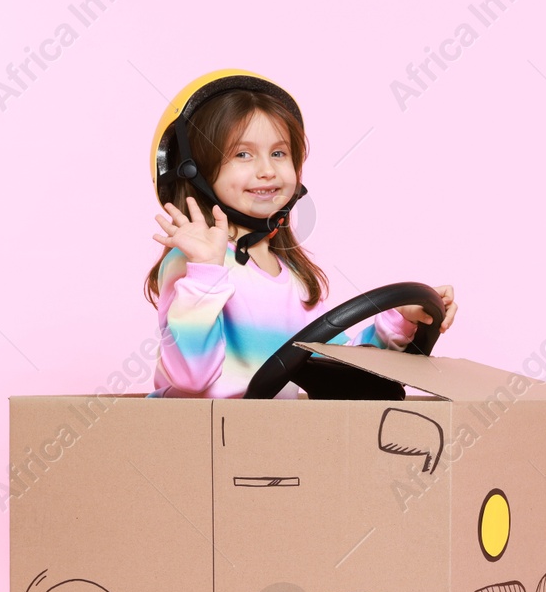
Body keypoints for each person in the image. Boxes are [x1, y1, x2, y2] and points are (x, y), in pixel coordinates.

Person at [144, 69, 457, 398]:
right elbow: (190, 378)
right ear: (194, 170)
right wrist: (206, 270)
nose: (267, 170)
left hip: (263, 441)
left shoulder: (293, 276)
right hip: (198, 441)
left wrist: (402, 319)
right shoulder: (195, 264)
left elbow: (339, 368)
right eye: (242, 154)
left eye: (278, 153)